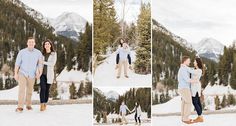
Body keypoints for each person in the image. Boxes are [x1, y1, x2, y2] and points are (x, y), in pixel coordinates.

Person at [14, 37, 43, 112]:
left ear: (34, 43)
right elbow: (17, 64)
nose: (31, 43)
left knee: (30, 91)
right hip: (22, 73)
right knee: (21, 90)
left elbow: (40, 64)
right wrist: (15, 73)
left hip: (32, 74)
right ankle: (20, 107)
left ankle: (28, 105)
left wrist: (39, 72)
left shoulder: (38, 53)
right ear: (27, 43)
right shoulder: (22, 52)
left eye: (32, 42)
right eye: (29, 42)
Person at [39, 39, 57, 111]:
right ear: (44, 46)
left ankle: (45, 103)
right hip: (42, 74)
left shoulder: (54, 54)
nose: (47, 45)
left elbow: (52, 64)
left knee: (47, 90)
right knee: (42, 88)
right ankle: (42, 104)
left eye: (48, 44)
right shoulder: (42, 54)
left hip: (49, 75)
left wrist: (43, 62)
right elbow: (39, 63)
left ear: (50, 45)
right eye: (45, 44)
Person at [177, 56, 195, 124]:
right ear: (185, 61)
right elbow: (187, 79)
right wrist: (195, 81)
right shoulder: (183, 69)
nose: (190, 62)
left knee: (184, 102)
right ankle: (186, 118)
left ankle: (183, 118)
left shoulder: (184, 68)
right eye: (189, 60)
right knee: (189, 102)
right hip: (184, 88)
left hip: (183, 88)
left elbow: (191, 70)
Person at [190, 57, 204, 122]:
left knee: (195, 102)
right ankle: (200, 116)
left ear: (197, 63)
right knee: (197, 102)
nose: (193, 62)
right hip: (195, 87)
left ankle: (200, 116)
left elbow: (190, 71)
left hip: (195, 87)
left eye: (194, 61)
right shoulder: (195, 69)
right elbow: (191, 70)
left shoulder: (199, 70)